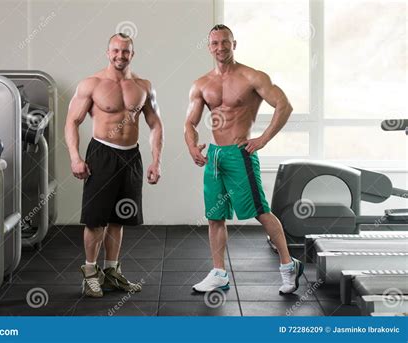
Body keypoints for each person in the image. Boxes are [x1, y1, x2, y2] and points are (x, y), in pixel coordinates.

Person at [184, 24, 303, 294]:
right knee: (215, 216)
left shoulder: (252, 77)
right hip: (215, 155)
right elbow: (189, 122)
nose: (220, 48)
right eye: (215, 43)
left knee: (260, 211)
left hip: (241, 154)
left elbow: (284, 105)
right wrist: (192, 146)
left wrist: (263, 139)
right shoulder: (202, 84)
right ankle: (218, 273)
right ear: (209, 47)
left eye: (225, 42)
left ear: (234, 44)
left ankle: (288, 265)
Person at [65, 33, 164, 297]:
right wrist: (75, 157)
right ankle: (89, 273)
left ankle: (111, 273)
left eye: (126, 51)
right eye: (116, 51)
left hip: (131, 156)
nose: (120, 56)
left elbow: (155, 124)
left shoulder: (144, 86)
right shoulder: (92, 84)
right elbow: (72, 121)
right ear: (107, 53)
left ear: (133, 54)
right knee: (96, 220)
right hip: (102, 154)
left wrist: (156, 160)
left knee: (119, 218)